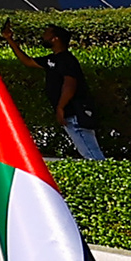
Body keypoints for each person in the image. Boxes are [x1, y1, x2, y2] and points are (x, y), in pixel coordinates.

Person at [39, 26, 105, 161]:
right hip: (71, 113)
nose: (43, 36)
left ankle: (104, 173)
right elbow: (27, 61)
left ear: (55, 38)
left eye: (47, 33)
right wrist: (10, 40)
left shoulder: (67, 60)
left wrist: (60, 107)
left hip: (74, 113)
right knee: (88, 150)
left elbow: (70, 85)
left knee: (91, 153)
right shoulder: (53, 59)